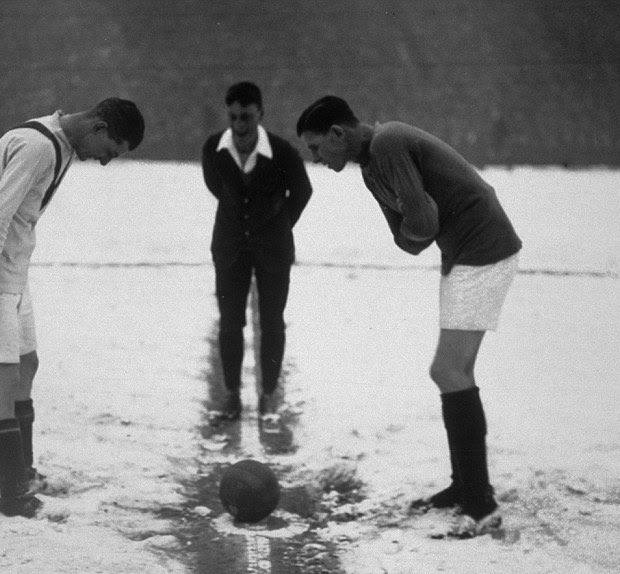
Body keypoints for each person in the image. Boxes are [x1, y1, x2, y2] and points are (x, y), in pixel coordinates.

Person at [296, 96, 521, 536]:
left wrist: (419, 223)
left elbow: (418, 226)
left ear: (338, 134)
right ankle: (465, 487)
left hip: (484, 250)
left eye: (317, 148)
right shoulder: (372, 167)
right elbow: (413, 238)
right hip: (465, 252)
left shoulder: (388, 145)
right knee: (456, 371)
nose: (316, 159)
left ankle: (482, 504)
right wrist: (419, 223)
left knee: (448, 370)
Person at [0, 98, 144, 518]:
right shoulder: (37, 147)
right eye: (109, 152)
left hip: (9, 271)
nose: (105, 163)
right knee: (2, 376)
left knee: (27, 363)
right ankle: (14, 498)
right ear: (99, 127)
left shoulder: (60, 139)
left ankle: (24, 474)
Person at [201, 82, 313, 421]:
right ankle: (232, 395)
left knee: (272, 322)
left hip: (273, 250)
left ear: (260, 114)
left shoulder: (282, 152)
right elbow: (216, 187)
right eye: (233, 117)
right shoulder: (213, 149)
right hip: (230, 248)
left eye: (247, 117)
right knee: (230, 323)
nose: (239, 125)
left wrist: (278, 225)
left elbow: (303, 191)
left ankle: (267, 396)